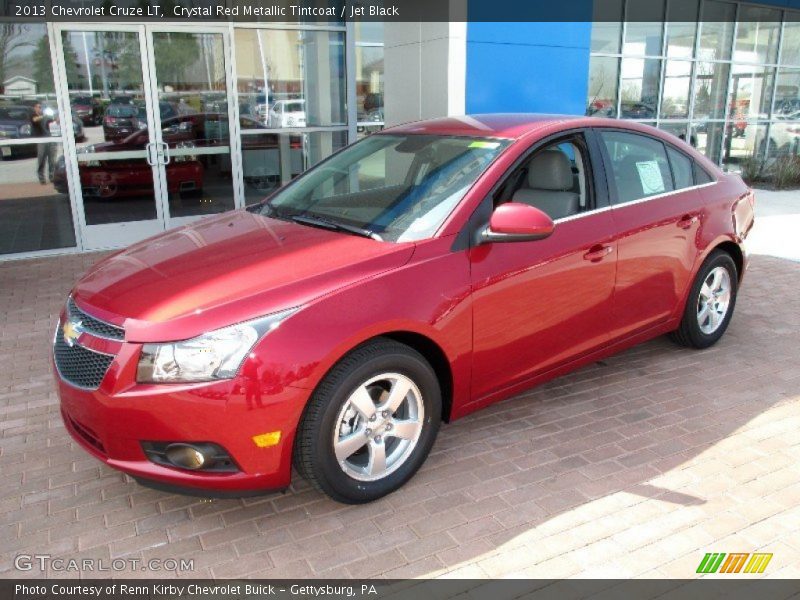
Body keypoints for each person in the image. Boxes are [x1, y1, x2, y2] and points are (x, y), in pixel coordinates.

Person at [31, 103, 56, 184]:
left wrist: (54, 118)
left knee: (51, 159)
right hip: (41, 140)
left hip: (49, 138)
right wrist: (43, 116)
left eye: (41, 107)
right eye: (38, 107)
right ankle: (41, 177)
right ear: (35, 108)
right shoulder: (33, 115)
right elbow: (34, 120)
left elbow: (53, 122)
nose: (40, 108)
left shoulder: (46, 116)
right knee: (41, 159)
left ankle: (52, 176)